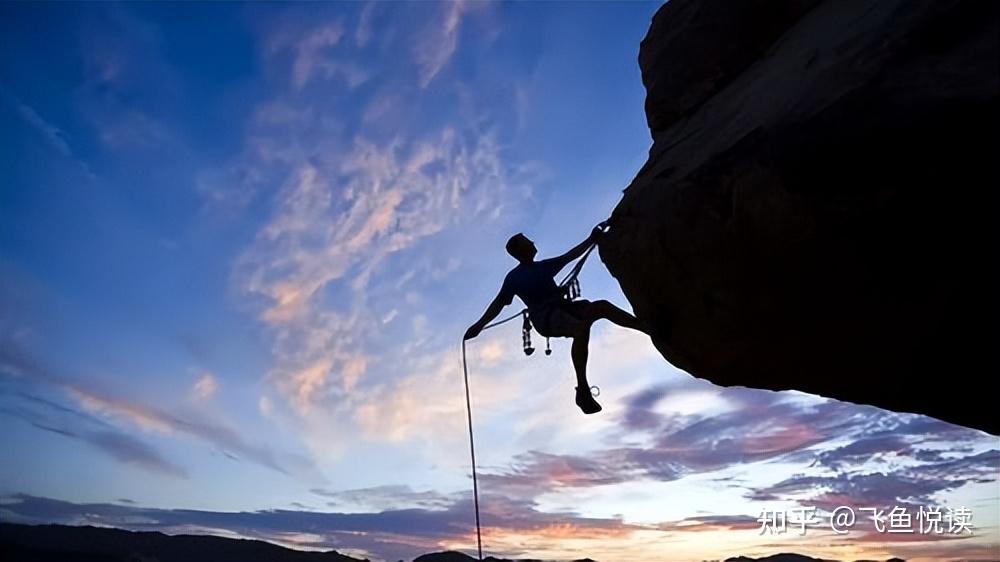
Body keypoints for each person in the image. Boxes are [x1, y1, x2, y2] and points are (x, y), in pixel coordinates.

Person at [464, 224, 649, 414]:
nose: (532, 242)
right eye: (527, 241)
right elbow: (498, 304)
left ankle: (645, 327)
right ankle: (583, 389)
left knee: (601, 306)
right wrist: (479, 325)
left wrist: (591, 238)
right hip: (546, 318)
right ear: (520, 249)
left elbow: (570, 256)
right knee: (580, 329)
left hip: (563, 308)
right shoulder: (514, 278)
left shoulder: (543, 267)